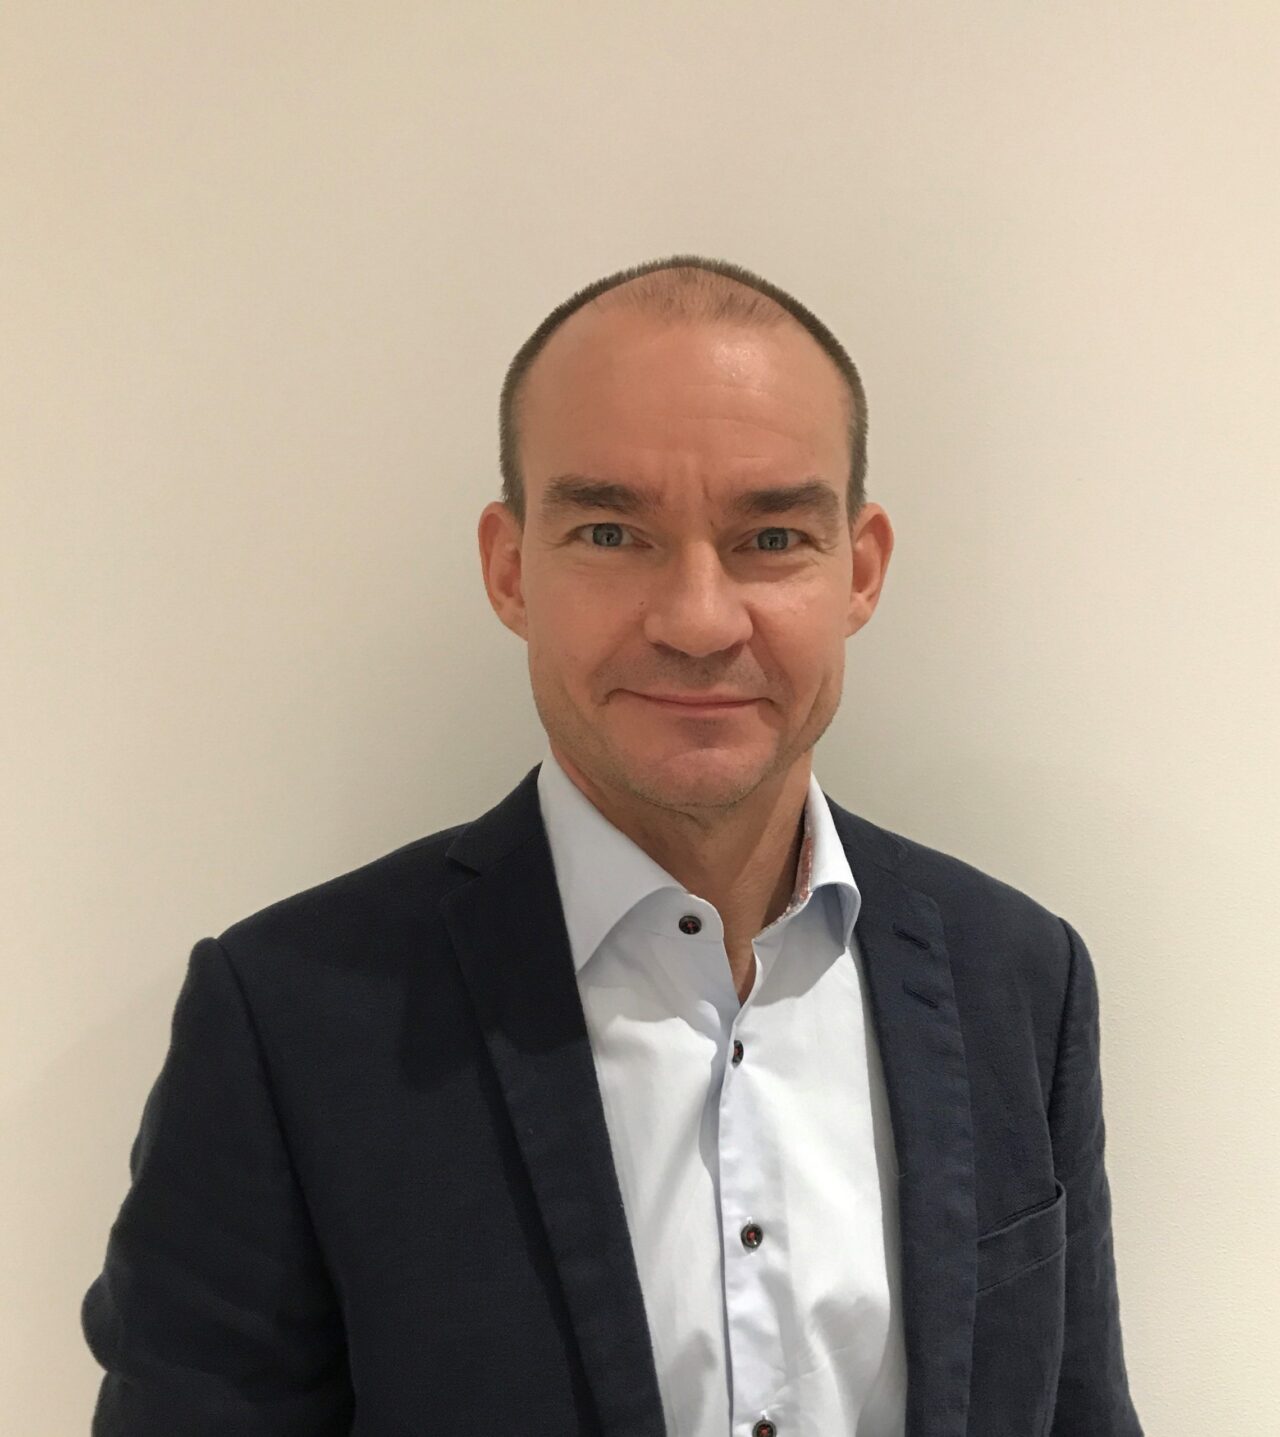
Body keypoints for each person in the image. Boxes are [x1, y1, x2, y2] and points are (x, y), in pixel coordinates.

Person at [81, 254, 1143, 1436]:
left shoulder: (1019, 977)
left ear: (860, 569)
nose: (696, 619)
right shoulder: (287, 1018)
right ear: (508, 570)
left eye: (771, 536)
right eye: (608, 531)